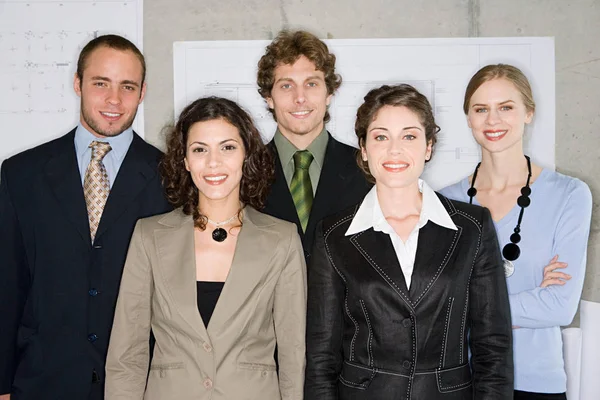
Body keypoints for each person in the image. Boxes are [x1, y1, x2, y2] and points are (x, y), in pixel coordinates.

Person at [305, 84, 514, 399]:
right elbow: (321, 356)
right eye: (380, 137)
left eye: (409, 136)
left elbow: (492, 347)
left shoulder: (473, 228)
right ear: (363, 148)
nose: (394, 150)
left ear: (428, 146)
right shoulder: (333, 235)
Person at [0, 35, 171, 400]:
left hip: (139, 385)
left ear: (142, 93)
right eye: (100, 84)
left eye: (127, 87)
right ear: (77, 84)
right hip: (42, 382)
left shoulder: (171, 178)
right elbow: (7, 285)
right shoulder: (21, 174)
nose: (114, 100)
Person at [105, 97, 307, 400]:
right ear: (185, 160)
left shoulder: (282, 238)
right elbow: (126, 354)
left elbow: (294, 355)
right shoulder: (148, 236)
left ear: (246, 154)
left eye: (227, 147)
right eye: (200, 149)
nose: (213, 162)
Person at [440, 64, 593, 399]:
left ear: (529, 113)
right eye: (481, 109)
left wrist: (470, 306)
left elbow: (559, 307)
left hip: (535, 383)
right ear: (468, 118)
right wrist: (529, 298)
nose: (493, 121)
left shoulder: (570, 195)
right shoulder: (444, 203)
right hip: (459, 380)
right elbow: (436, 306)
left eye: (506, 108)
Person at [257, 30, 371, 262]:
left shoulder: (367, 170)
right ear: (269, 97)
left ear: (329, 93)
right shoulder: (245, 171)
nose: (300, 98)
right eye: (286, 86)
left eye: (311, 84)